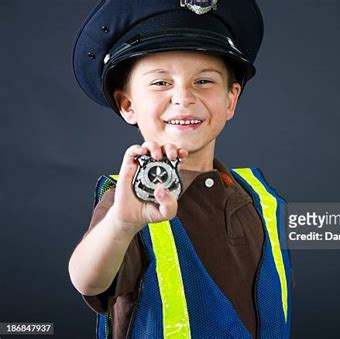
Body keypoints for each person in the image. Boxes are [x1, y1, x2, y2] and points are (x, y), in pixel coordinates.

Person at [68, 1, 293, 338]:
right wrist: (120, 224)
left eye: (203, 81)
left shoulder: (258, 195)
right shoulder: (128, 202)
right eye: (160, 83)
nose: (184, 97)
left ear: (230, 100)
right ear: (127, 104)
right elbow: (89, 279)